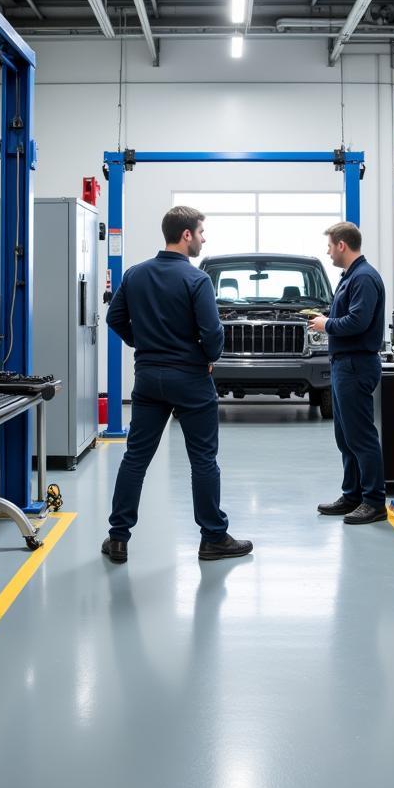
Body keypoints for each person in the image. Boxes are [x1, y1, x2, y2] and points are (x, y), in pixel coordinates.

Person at [102, 206, 252, 563]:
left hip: (149, 379)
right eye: (201, 232)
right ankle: (213, 537)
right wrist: (206, 354)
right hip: (191, 379)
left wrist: (143, 343)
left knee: (135, 458)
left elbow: (115, 317)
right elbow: (213, 335)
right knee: (203, 460)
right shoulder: (197, 280)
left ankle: (118, 538)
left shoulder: (135, 274)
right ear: (186, 235)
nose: (203, 239)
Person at [309, 221, 388, 524]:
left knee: (361, 436)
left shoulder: (364, 278)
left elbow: (358, 321)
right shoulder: (351, 277)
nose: (328, 252)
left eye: (329, 246)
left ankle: (373, 501)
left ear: (342, 244)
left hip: (356, 364)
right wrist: (328, 319)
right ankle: (352, 494)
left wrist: (325, 324)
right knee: (345, 436)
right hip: (344, 364)